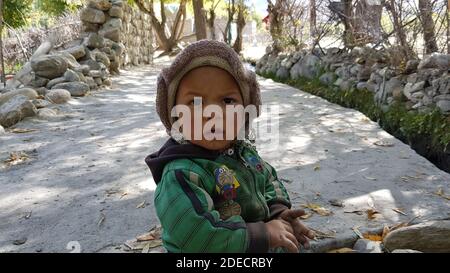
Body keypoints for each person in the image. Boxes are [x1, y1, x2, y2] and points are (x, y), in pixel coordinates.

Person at [145, 40, 314, 253]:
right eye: (195, 103)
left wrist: (278, 214)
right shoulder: (180, 175)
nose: (212, 113)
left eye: (227, 101)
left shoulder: (244, 153)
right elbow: (199, 235)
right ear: (176, 116)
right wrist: (263, 234)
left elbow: (268, 178)